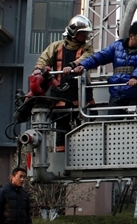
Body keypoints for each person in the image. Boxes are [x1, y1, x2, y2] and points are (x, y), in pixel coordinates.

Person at [32, 14, 95, 149]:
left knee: (84, 129)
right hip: (60, 96)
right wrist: (38, 69)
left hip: (81, 96)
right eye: (83, 33)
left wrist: (73, 65)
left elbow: (87, 57)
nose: (85, 37)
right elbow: (43, 60)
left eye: (86, 33)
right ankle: (61, 155)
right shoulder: (56, 47)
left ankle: (82, 154)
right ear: (74, 33)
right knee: (61, 129)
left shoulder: (87, 48)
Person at [72, 21, 137, 107]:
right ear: (131, 36)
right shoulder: (116, 46)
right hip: (116, 94)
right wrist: (83, 65)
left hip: (134, 95)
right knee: (112, 115)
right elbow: (100, 56)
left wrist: (135, 77)